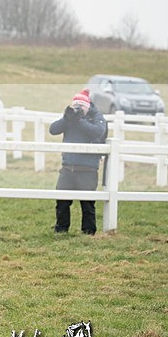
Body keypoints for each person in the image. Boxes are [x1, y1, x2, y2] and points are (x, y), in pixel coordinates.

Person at [49, 88, 107, 235]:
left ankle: (88, 232)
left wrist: (79, 121)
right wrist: (66, 118)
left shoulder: (97, 117)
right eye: (76, 105)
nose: (78, 109)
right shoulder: (70, 119)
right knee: (62, 201)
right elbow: (53, 129)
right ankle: (61, 230)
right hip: (68, 167)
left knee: (87, 203)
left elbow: (97, 132)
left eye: (81, 106)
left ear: (88, 107)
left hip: (88, 168)